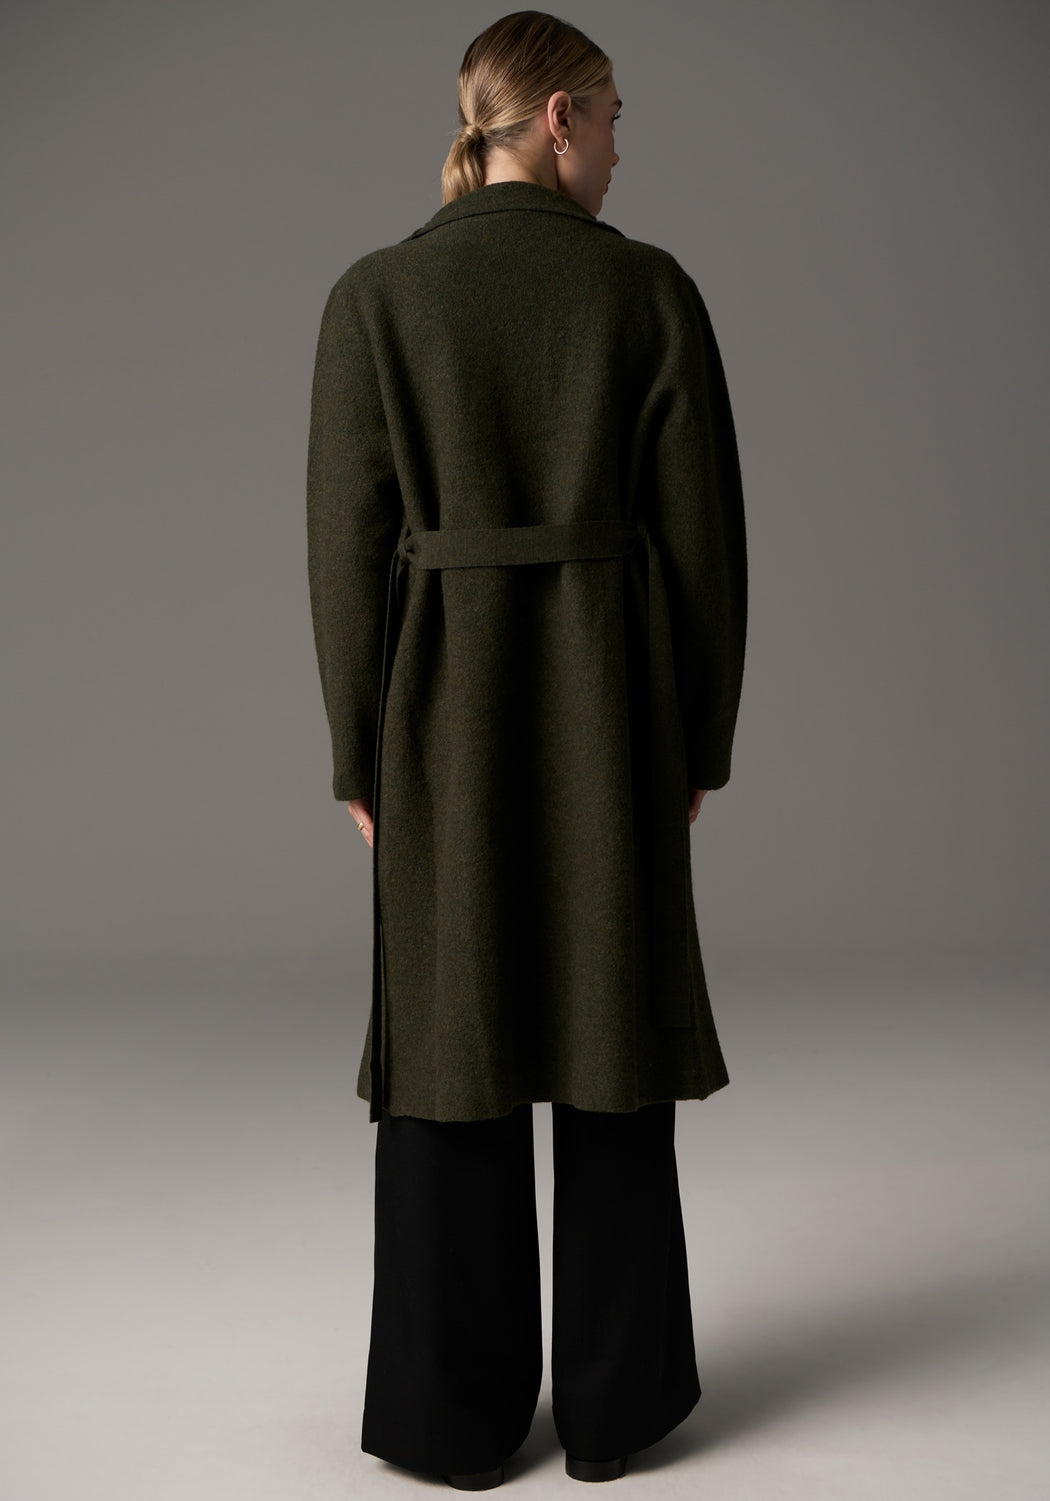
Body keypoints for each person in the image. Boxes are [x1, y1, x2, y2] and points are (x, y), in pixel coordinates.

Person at [306, 10, 748, 1491]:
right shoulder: (647, 290)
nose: (620, 148)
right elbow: (705, 544)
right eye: (612, 118)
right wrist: (697, 734)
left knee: (452, 1038)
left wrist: (360, 750)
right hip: (611, 701)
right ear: (557, 119)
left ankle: (452, 1412)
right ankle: (619, 1408)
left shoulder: (376, 297)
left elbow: (344, 553)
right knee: (608, 1029)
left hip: (438, 704)